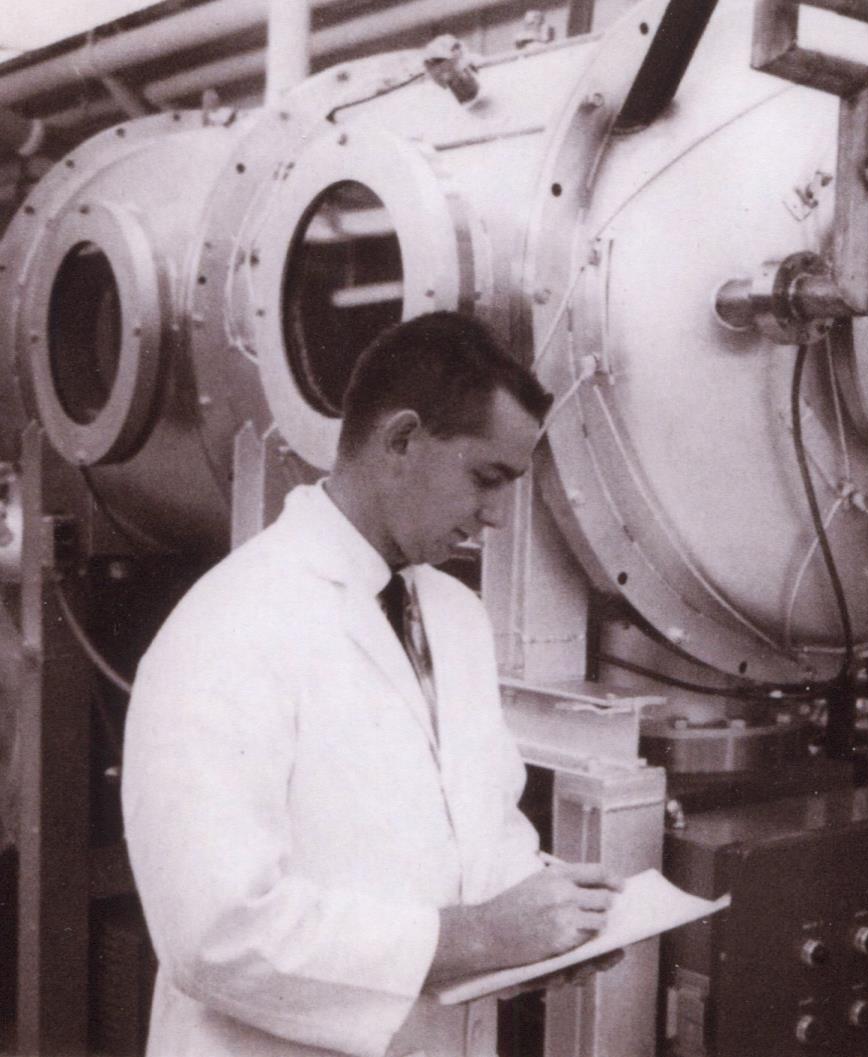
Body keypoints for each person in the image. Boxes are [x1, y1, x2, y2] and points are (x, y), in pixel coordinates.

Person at [123, 311, 622, 1057]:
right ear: (400, 441)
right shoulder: (228, 626)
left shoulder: (454, 615)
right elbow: (213, 932)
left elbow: (480, 826)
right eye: (486, 478)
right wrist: (477, 935)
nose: (496, 515)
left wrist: (554, 921)